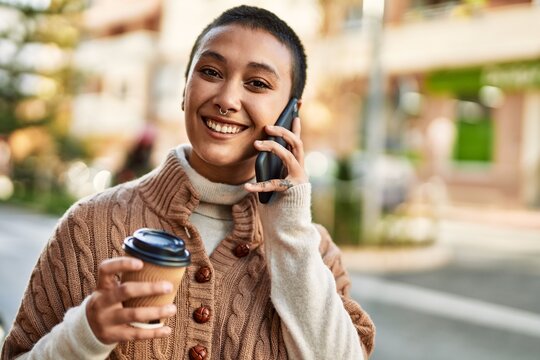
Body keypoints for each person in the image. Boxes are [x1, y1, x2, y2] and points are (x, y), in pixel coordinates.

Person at [1, 5, 375, 360]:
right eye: (211, 72)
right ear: (184, 88)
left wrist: (288, 231)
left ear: (291, 113)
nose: (227, 99)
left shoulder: (315, 252)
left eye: (257, 83)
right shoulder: (88, 224)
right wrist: (86, 333)